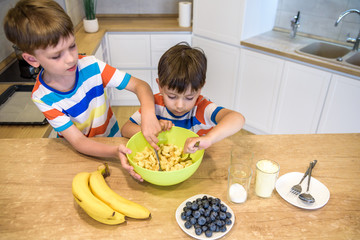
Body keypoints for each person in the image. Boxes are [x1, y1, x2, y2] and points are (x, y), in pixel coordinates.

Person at [3, 0, 162, 181]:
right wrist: (113, 151)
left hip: (112, 139)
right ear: (32, 59)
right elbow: (79, 141)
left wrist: (148, 114)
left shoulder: (92, 66)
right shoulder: (43, 98)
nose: (71, 59)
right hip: (80, 153)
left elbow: (140, 85)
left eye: (72, 45)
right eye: (56, 55)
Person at [121, 42, 245, 153]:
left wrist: (209, 139)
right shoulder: (154, 104)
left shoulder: (201, 107)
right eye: (172, 96)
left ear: (200, 89)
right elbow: (126, 129)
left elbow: (237, 118)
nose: (180, 105)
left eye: (189, 97)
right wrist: (152, 129)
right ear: (160, 86)